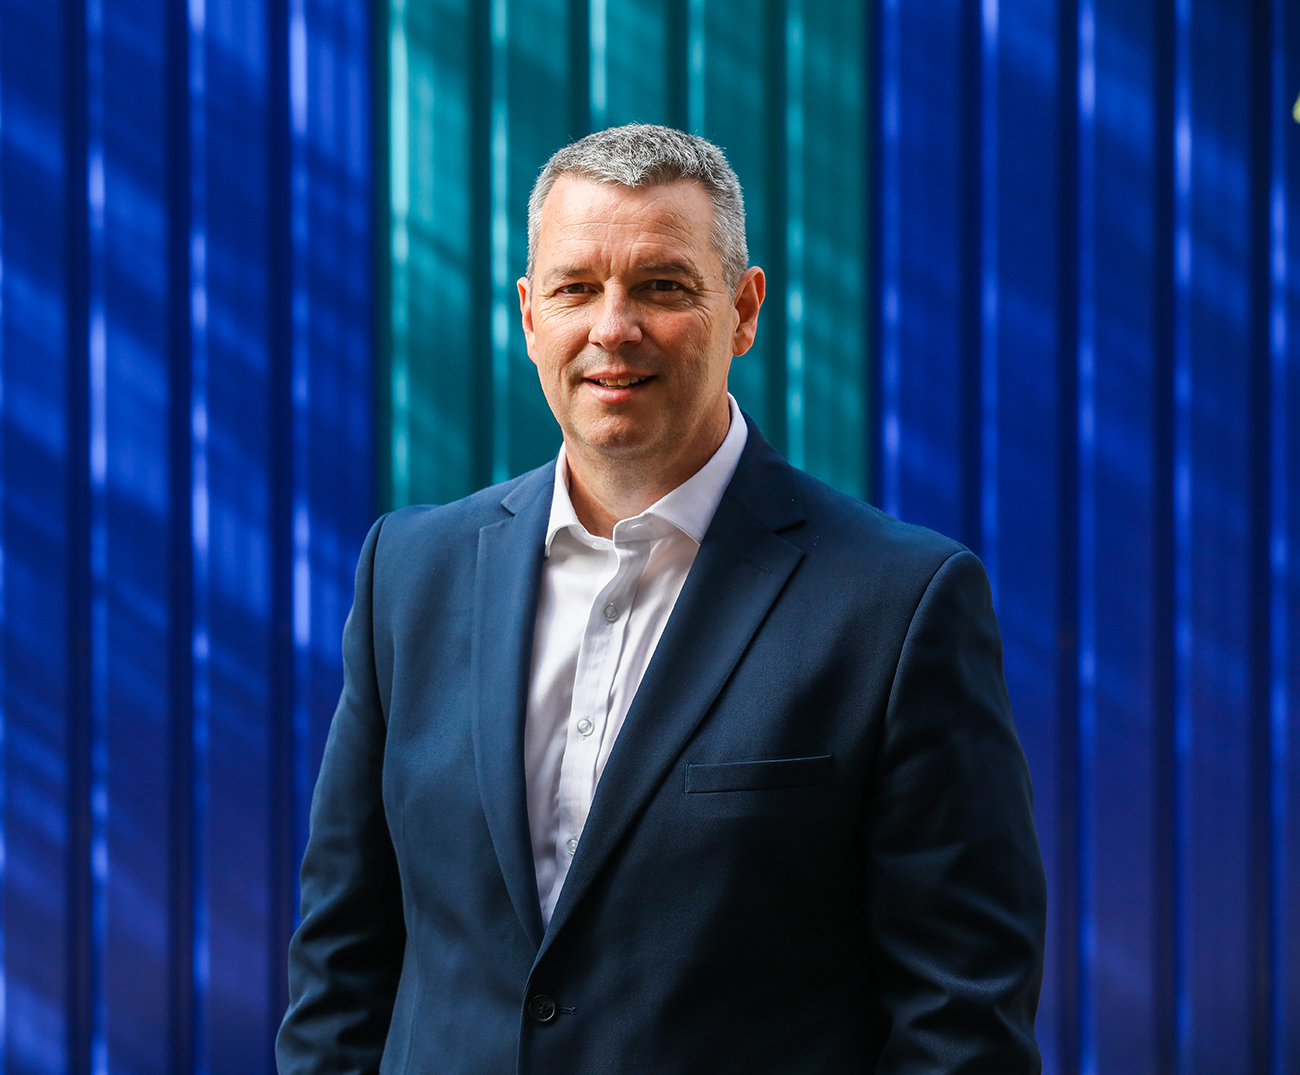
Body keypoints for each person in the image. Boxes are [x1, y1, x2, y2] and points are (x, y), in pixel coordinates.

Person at [276, 124, 1045, 1073]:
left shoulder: (899, 604)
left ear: (744, 308)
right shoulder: (409, 571)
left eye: (661, 286)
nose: (612, 328)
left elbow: (959, 1019)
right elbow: (341, 967)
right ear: (527, 314)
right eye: (574, 288)